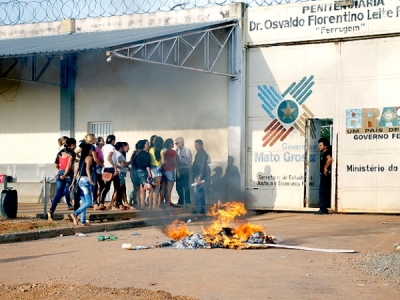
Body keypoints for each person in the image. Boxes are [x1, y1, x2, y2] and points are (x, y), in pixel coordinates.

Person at [48, 138, 77, 220]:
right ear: (71, 145)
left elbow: (56, 165)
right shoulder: (71, 153)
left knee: (58, 193)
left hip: (60, 172)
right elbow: (69, 163)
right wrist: (65, 174)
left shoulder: (60, 153)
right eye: (75, 145)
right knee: (69, 189)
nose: (75, 146)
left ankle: (51, 210)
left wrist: (61, 172)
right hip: (68, 174)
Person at [70, 143, 95, 226]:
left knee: (84, 202)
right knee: (88, 202)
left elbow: (76, 171)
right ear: (89, 150)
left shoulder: (81, 159)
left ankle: (83, 221)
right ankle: (75, 214)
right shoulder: (89, 158)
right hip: (85, 181)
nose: (92, 151)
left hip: (79, 181)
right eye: (91, 149)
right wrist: (90, 179)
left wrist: (73, 182)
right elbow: (87, 169)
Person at [100, 135, 127, 210]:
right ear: (113, 141)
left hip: (106, 168)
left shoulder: (104, 147)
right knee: (118, 187)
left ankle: (101, 203)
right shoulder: (112, 148)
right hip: (112, 169)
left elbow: (106, 158)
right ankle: (120, 204)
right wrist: (115, 167)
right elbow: (109, 158)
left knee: (107, 187)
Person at [131, 140, 152, 210]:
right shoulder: (146, 154)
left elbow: (132, 162)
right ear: (143, 145)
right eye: (147, 144)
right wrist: (149, 173)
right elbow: (147, 164)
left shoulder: (134, 153)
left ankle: (138, 204)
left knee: (136, 189)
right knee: (143, 189)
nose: (148, 146)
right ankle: (142, 205)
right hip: (142, 172)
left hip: (133, 172)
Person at [160, 138, 180, 209]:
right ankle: (168, 205)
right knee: (169, 189)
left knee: (162, 189)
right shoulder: (172, 152)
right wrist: (177, 170)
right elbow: (175, 162)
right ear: (171, 144)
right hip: (170, 171)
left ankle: (161, 204)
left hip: (162, 171)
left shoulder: (163, 151)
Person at [315, 137, 332, 215]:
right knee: (324, 191)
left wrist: (325, 167)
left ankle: (323, 209)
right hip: (325, 175)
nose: (319, 147)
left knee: (322, 191)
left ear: (325, 146)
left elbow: (330, 159)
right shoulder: (325, 153)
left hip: (325, 176)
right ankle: (324, 207)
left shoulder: (327, 152)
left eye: (320, 145)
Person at [192, 139, 208, 214]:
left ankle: (200, 208)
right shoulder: (199, 153)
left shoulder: (203, 154)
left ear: (201, 145)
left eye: (197, 145)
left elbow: (202, 167)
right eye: (195, 145)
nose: (196, 147)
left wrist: (199, 178)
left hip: (199, 176)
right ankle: (201, 209)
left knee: (197, 193)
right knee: (200, 192)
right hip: (197, 175)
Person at [175, 137, 192, 207]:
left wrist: (181, 163)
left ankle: (188, 201)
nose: (175, 145)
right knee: (178, 187)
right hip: (178, 170)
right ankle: (181, 201)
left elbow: (188, 161)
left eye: (176, 143)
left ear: (181, 143)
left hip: (184, 169)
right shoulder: (176, 150)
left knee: (186, 186)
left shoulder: (187, 150)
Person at [149, 136, 165, 209]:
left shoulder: (151, 149)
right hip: (158, 169)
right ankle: (155, 206)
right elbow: (163, 161)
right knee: (156, 189)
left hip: (151, 169)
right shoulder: (161, 150)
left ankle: (150, 206)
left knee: (151, 188)